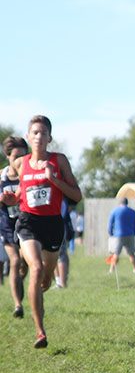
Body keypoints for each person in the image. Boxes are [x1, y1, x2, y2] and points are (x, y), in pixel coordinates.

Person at [0, 116, 82, 348]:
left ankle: (43, 282)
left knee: (46, 278)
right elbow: (20, 195)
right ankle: (40, 332)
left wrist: (54, 179)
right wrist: (10, 199)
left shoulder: (59, 161)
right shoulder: (20, 164)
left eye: (43, 133)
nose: (38, 136)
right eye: (34, 132)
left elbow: (76, 196)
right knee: (35, 268)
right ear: (28, 136)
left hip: (53, 225)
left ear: (49, 138)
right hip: (27, 222)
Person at [1, 136, 28, 318]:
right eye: (16, 156)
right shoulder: (1, 177)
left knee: (24, 266)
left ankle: (18, 283)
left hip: (26, 223)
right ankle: (18, 305)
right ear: (8, 156)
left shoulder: (28, 176)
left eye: (23, 156)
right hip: (6, 225)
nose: (20, 161)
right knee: (15, 261)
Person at [107, 197, 135, 274]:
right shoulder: (132, 212)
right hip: (130, 234)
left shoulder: (114, 211)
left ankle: (112, 270)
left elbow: (110, 224)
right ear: (127, 203)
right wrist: (134, 232)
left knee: (116, 253)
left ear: (119, 203)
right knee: (131, 253)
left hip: (118, 235)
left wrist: (111, 233)